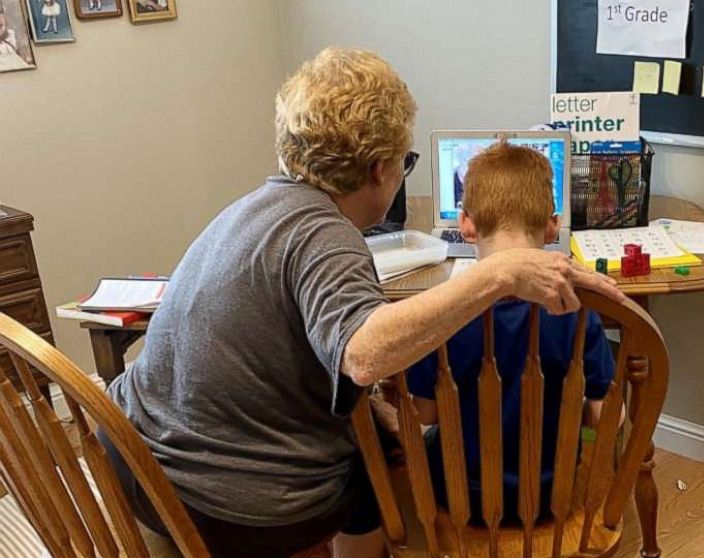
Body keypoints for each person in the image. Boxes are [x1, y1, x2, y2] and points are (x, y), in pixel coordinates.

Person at [103, 47, 622, 558]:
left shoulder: (250, 209)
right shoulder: (327, 237)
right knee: (372, 466)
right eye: (405, 163)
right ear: (379, 170)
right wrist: (501, 272)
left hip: (132, 459)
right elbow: (364, 355)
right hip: (221, 507)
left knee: (383, 435)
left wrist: (378, 405)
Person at [406, 142, 616, 521]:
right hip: (552, 494)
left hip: (463, 496)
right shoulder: (576, 311)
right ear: (553, 226)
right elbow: (608, 417)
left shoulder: (440, 311)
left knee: (427, 442)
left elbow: (424, 413)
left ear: (466, 225)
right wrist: (572, 408)